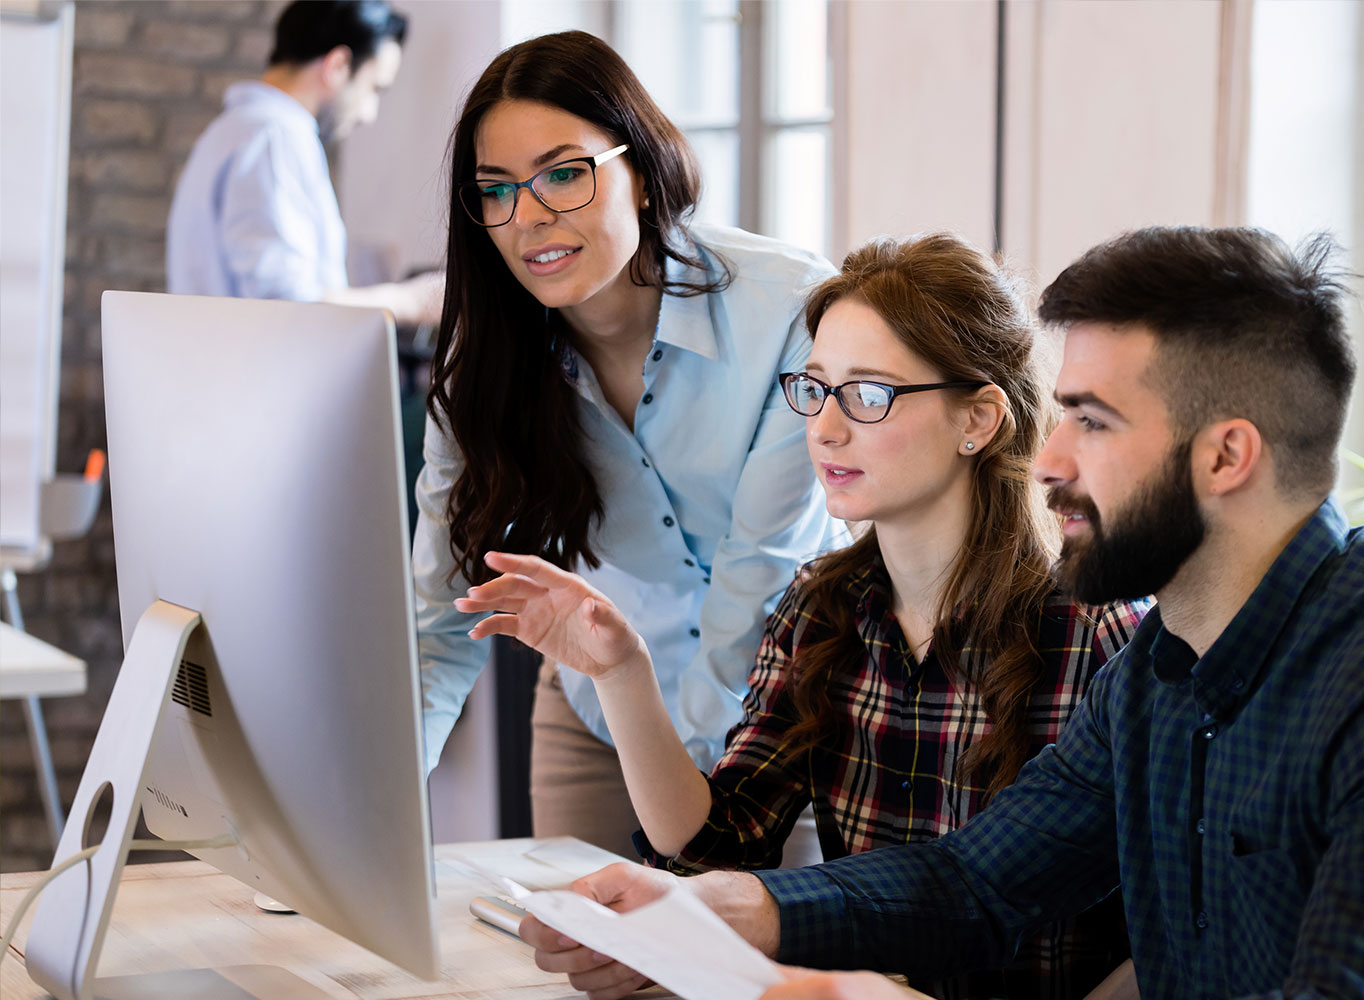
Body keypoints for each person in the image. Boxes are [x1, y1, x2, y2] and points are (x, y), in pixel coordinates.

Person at [520, 227, 1364, 999]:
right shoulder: (1165, 664)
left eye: (1090, 420)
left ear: (1225, 454)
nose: (1047, 459)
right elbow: (977, 882)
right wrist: (731, 909)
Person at [457, 234, 1147, 999]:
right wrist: (622, 672)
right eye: (814, 389)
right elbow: (721, 842)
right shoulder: (824, 605)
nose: (824, 428)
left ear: (977, 420)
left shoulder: (1098, 634)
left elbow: (1165, 934)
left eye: (869, 394)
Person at [414, 31, 842, 859]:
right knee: (571, 974)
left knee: (749, 984)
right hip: (595, 707)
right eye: (495, 190)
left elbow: (758, 587)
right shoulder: (487, 374)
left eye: (564, 174)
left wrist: (681, 816)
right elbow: (438, 623)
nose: (529, 216)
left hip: (781, 722)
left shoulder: (789, 311)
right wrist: (369, 818)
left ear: (640, 171)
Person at [166, 0, 440, 324]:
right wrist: (413, 301)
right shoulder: (274, 138)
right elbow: (290, 307)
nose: (369, 113)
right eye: (374, 88)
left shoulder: (231, 131)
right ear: (337, 65)